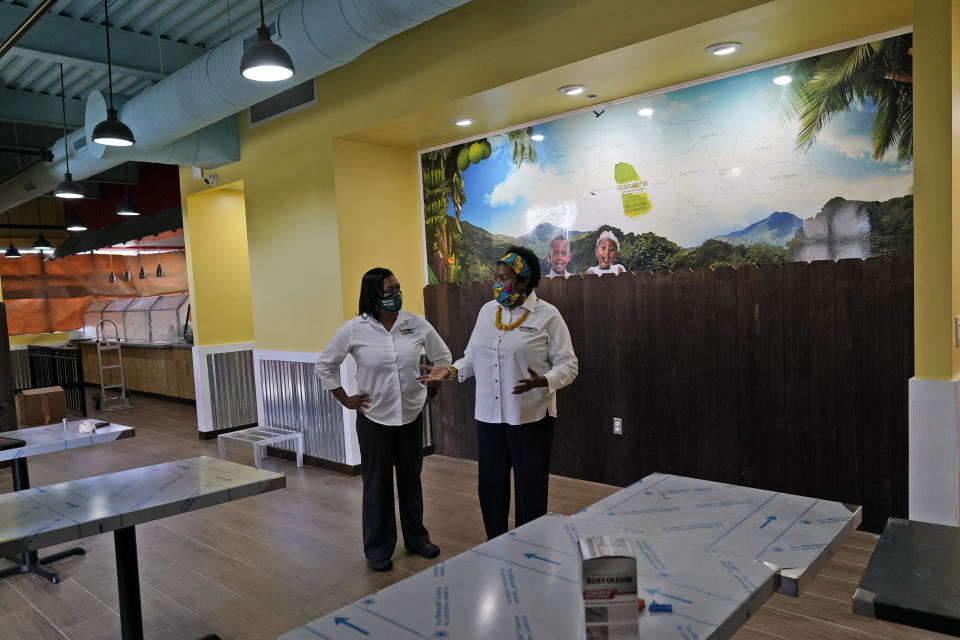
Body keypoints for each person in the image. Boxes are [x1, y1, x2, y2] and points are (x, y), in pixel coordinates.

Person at [418, 246, 578, 539]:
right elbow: (472, 357)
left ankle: (529, 546)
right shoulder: (487, 312)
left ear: (523, 280)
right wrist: (449, 371)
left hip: (530, 418)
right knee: (491, 486)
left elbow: (569, 365)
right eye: (496, 277)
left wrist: (543, 381)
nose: (498, 283)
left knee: (530, 488)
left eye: (504, 277)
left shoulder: (548, 316)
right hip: (489, 418)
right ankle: (495, 545)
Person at [316, 267, 451, 571]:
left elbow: (443, 358)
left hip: (411, 417)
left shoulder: (415, 324)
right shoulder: (354, 329)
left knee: (410, 481)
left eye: (398, 288)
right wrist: (345, 399)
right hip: (374, 419)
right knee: (376, 485)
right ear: (373, 295)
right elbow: (325, 366)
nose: (396, 295)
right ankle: (378, 549)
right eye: (389, 291)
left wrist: (433, 390)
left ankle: (417, 539)